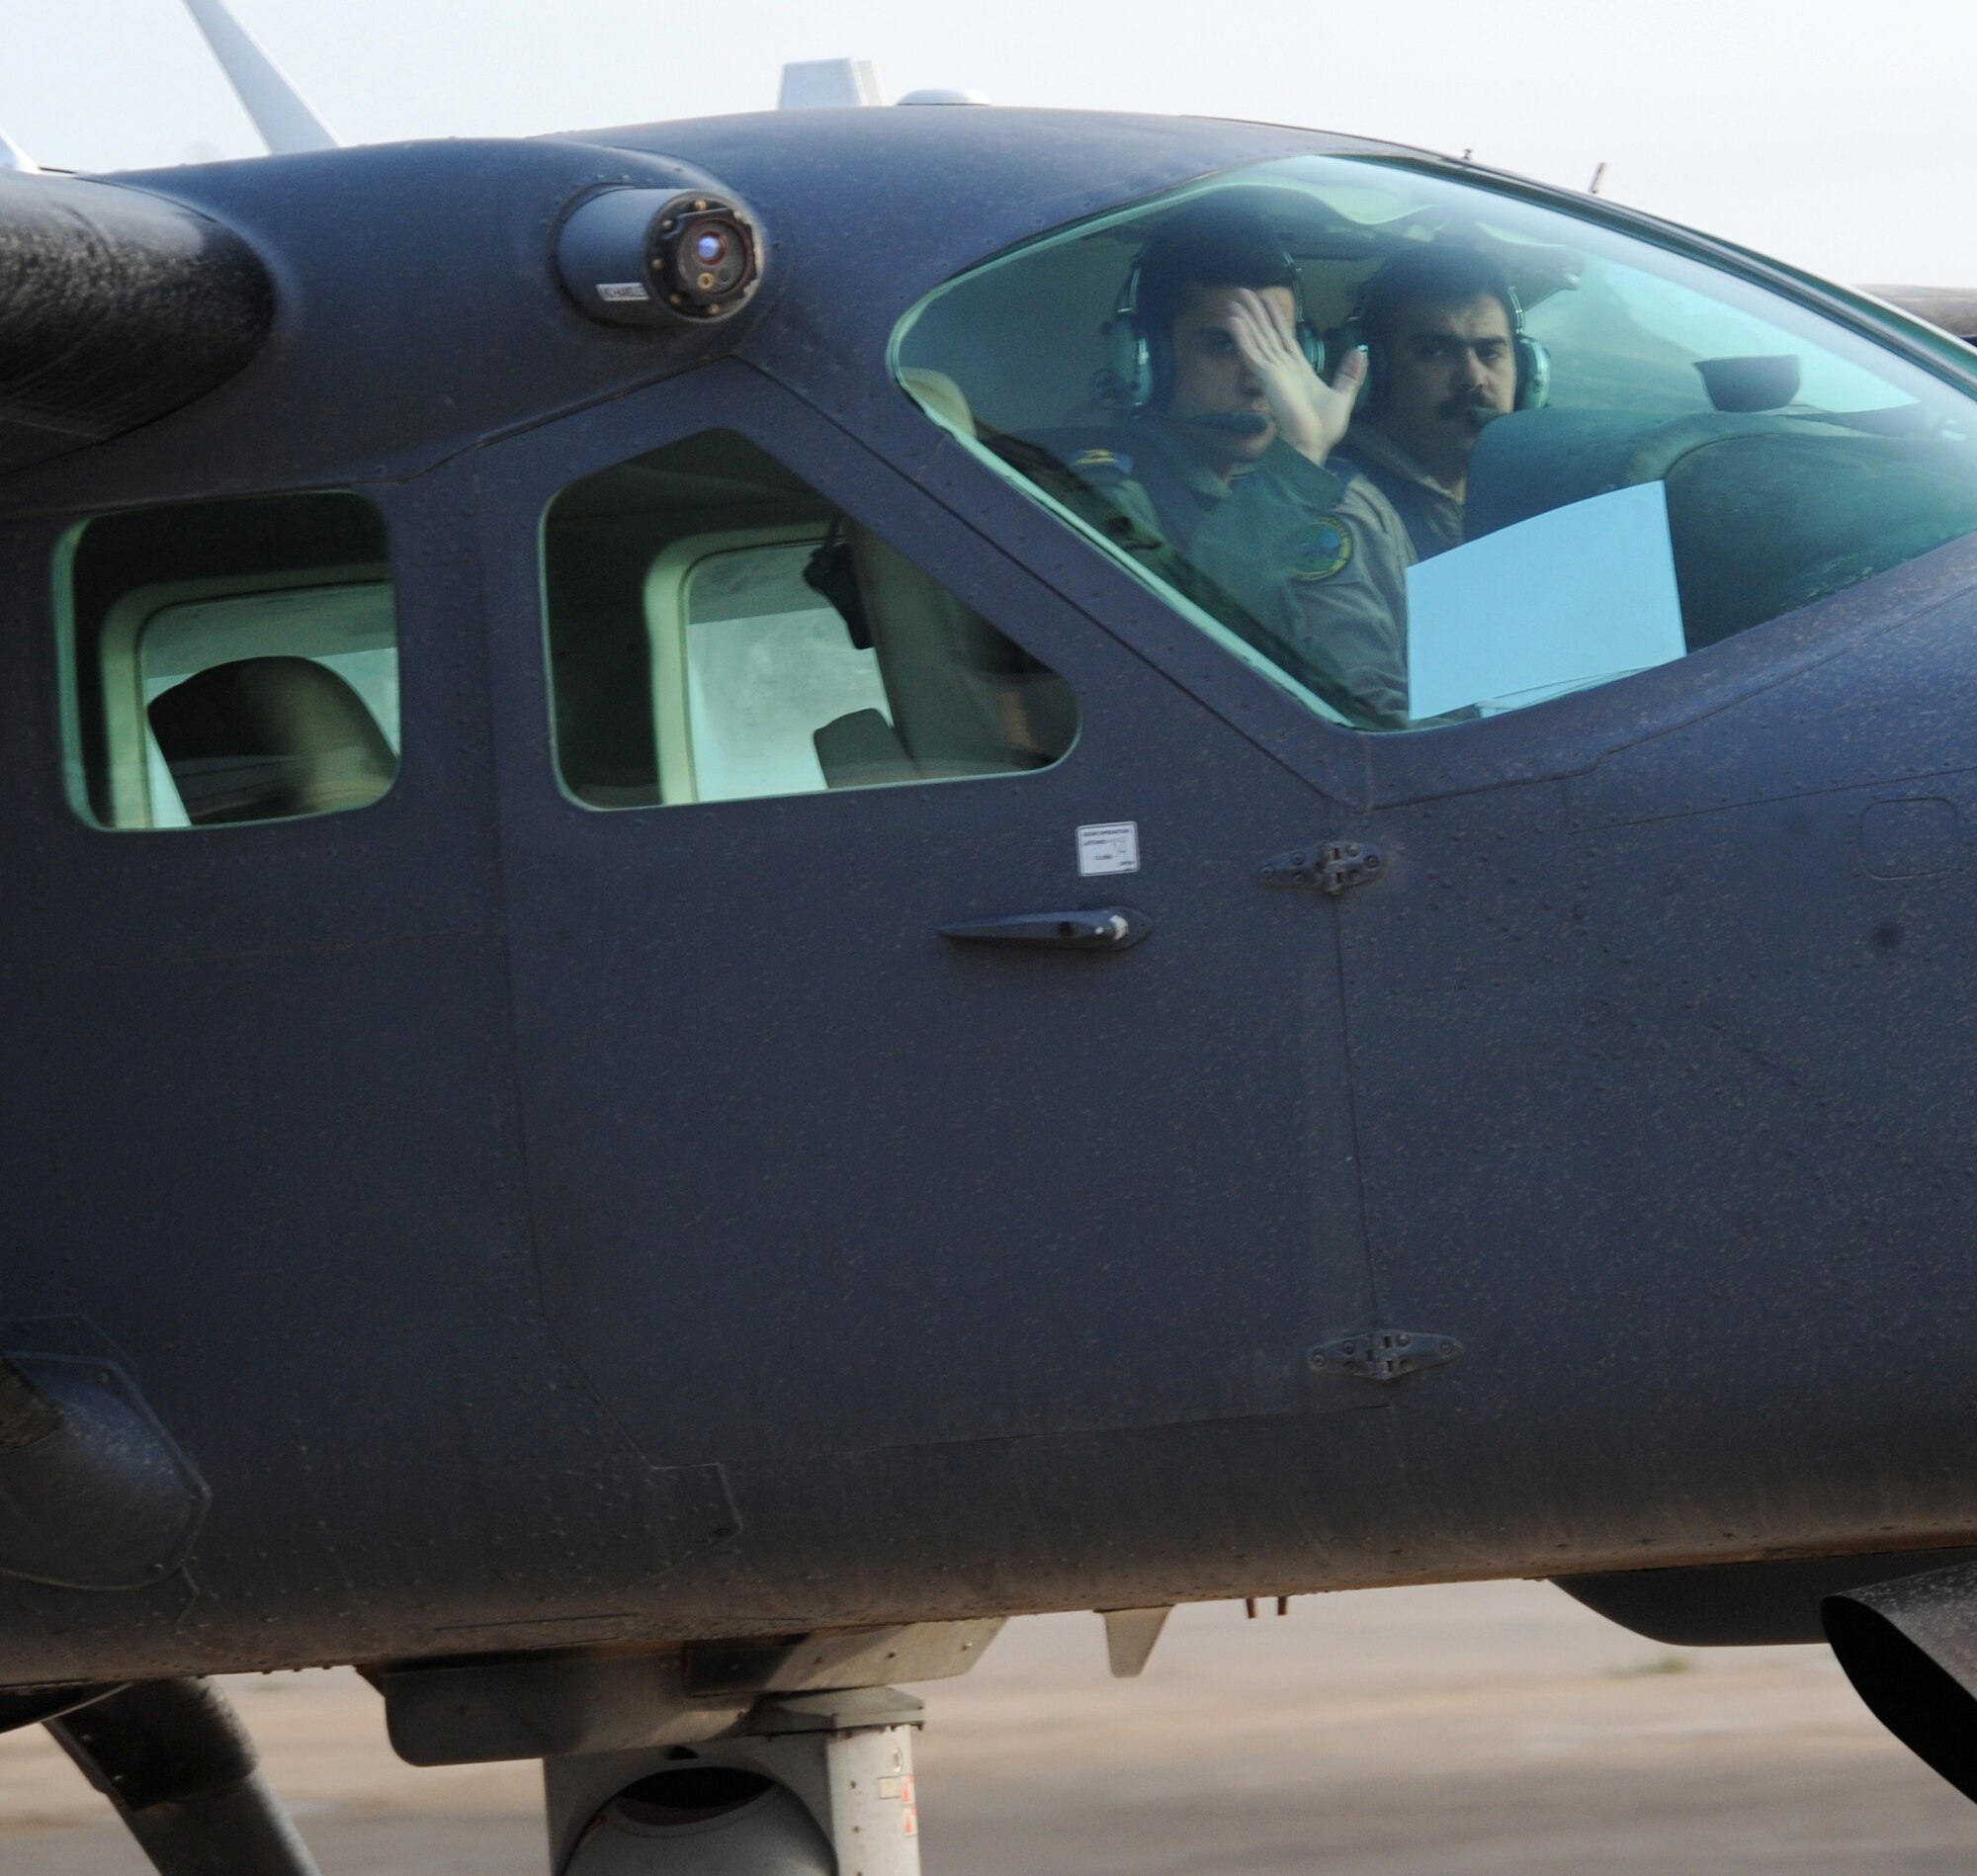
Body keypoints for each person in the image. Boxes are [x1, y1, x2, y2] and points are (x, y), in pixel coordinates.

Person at [1031, 208, 1412, 728]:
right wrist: (1299, 454)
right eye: (1223, 345)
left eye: (1279, 351)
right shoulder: (1098, 495)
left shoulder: (1273, 494)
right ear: (1146, 360)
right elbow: (1187, 651)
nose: (1260, 382)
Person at [1332, 245, 1534, 562]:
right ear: (1376, 372)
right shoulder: (1348, 511)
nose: (1473, 378)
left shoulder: (1521, 492)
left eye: (1489, 352)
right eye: (1435, 352)